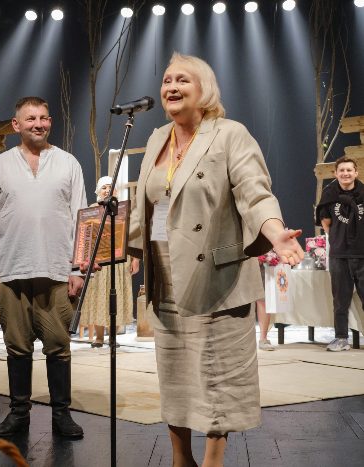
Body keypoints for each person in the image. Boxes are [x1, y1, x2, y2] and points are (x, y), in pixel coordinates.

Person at [126, 53, 304, 467]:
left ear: (204, 89)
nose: (171, 87)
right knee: (175, 372)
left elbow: (255, 193)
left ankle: (212, 461)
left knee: (216, 377)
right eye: (167, 80)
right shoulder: (156, 138)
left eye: (182, 80)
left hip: (215, 274)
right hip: (165, 272)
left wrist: (275, 231)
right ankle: (180, 458)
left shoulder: (229, 135)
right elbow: (143, 203)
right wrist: (129, 248)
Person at [0, 96, 87, 439]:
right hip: (12, 269)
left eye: (44, 118)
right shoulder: (0, 165)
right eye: (31, 118)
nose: (38, 124)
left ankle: (61, 414)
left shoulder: (68, 163)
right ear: (16, 125)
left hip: (56, 269)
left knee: (58, 345)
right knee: (17, 346)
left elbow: (81, 217)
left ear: (50, 121)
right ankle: (19, 414)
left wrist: (78, 269)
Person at [316, 156, 364, 352]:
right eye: (342, 170)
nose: (345, 173)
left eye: (349, 170)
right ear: (335, 173)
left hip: (362, 253)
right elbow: (326, 223)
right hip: (339, 254)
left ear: (356, 173)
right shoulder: (329, 194)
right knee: (340, 300)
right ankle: (341, 338)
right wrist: (339, 240)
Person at [79, 176, 134, 348]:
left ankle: (113, 337)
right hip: (99, 261)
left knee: (116, 297)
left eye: (111, 187)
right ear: (98, 191)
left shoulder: (123, 209)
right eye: (104, 187)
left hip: (119, 261)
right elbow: (84, 236)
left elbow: (132, 235)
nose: (107, 190)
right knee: (98, 297)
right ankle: (99, 337)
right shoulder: (92, 210)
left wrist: (135, 259)